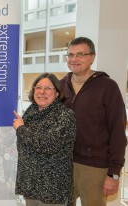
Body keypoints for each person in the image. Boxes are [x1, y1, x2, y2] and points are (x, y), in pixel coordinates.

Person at [60, 37, 127, 206]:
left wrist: (114, 173)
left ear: (92, 57)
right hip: (62, 164)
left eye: (81, 54)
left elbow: (118, 131)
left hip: (94, 166)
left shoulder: (107, 87)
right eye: (70, 54)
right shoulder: (59, 86)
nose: (74, 59)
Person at [13, 73, 76, 206]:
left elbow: (49, 145)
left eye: (48, 88)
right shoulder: (31, 111)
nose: (42, 92)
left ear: (57, 93)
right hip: (31, 185)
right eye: (38, 87)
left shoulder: (65, 115)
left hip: (52, 188)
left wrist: (21, 129)